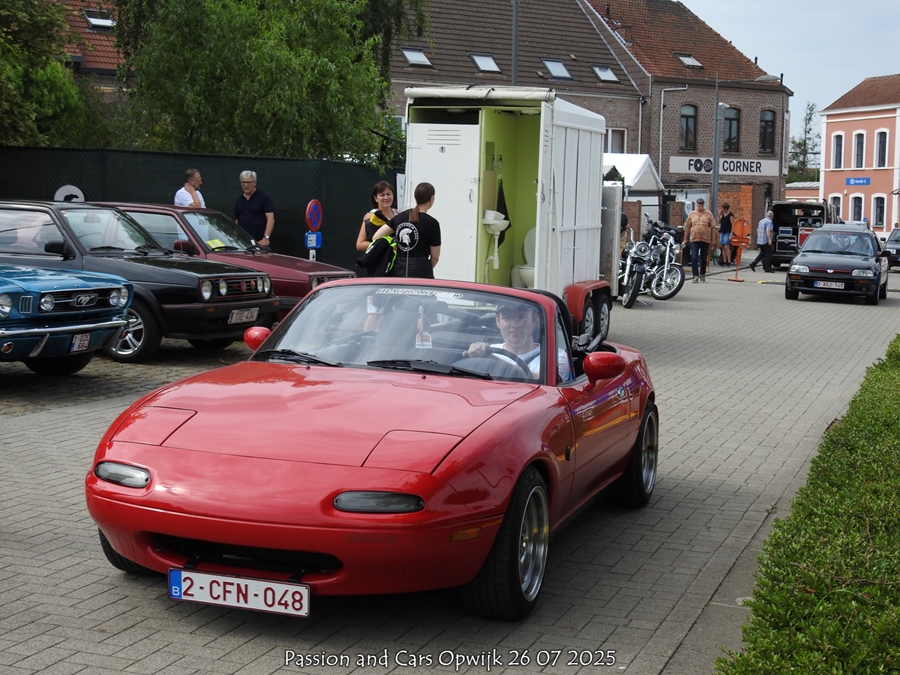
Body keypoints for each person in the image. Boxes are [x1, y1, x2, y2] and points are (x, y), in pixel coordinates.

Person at [464, 303, 571, 381]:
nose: (515, 324)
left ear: (534, 320)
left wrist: (492, 360)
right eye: (507, 318)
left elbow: (549, 382)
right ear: (498, 321)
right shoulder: (486, 351)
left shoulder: (555, 356)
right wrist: (473, 357)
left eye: (522, 317)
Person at [372, 182, 441, 278]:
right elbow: (435, 257)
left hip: (398, 271)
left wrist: (394, 244)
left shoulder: (400, 217)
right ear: (431, 198)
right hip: (422, 271)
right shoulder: (432, 223)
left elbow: (376, 236)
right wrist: (426, 269)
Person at [234, 170, 275, 247]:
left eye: (249, 182)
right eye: (243, 182)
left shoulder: (264, 198)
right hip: (242, 243)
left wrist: (266, 238)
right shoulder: (239, 199)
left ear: (254, 183)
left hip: (259, 243)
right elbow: (237, 220)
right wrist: (234, 239)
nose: (246, 185)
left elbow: (270, 219)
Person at [356, 181, 399, 252]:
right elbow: (360, 244)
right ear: (375, 198)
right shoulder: (370, 217)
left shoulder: (398, 215)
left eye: (388, 194)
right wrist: (385, 246)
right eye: (382, 195)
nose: (386, 197)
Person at [684, 197, 716, 282]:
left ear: (703, 204)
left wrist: (713, 240)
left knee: (703, 258)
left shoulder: (708, 214)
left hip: (705, 239)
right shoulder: (692, 214)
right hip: (694, 239)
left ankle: (702, 273)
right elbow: (688, 226)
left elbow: (713, 227)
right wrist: (685, 239)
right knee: (694, 257)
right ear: (696, 204)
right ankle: (695, 276)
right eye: (699, 204)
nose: (700, 206)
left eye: (702, 204)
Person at [718, 202, 735, 267]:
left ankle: (729, 261)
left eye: (722, 208)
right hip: (722, 231)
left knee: (726, 247)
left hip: (728, 232)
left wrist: (731, 234)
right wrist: (719, 215)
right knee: (722, 246)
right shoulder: (722, 215)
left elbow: (733, 225)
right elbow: (719, 222)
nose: (721, 209)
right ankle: (724, 260)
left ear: (725, 208)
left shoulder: (730, 215)